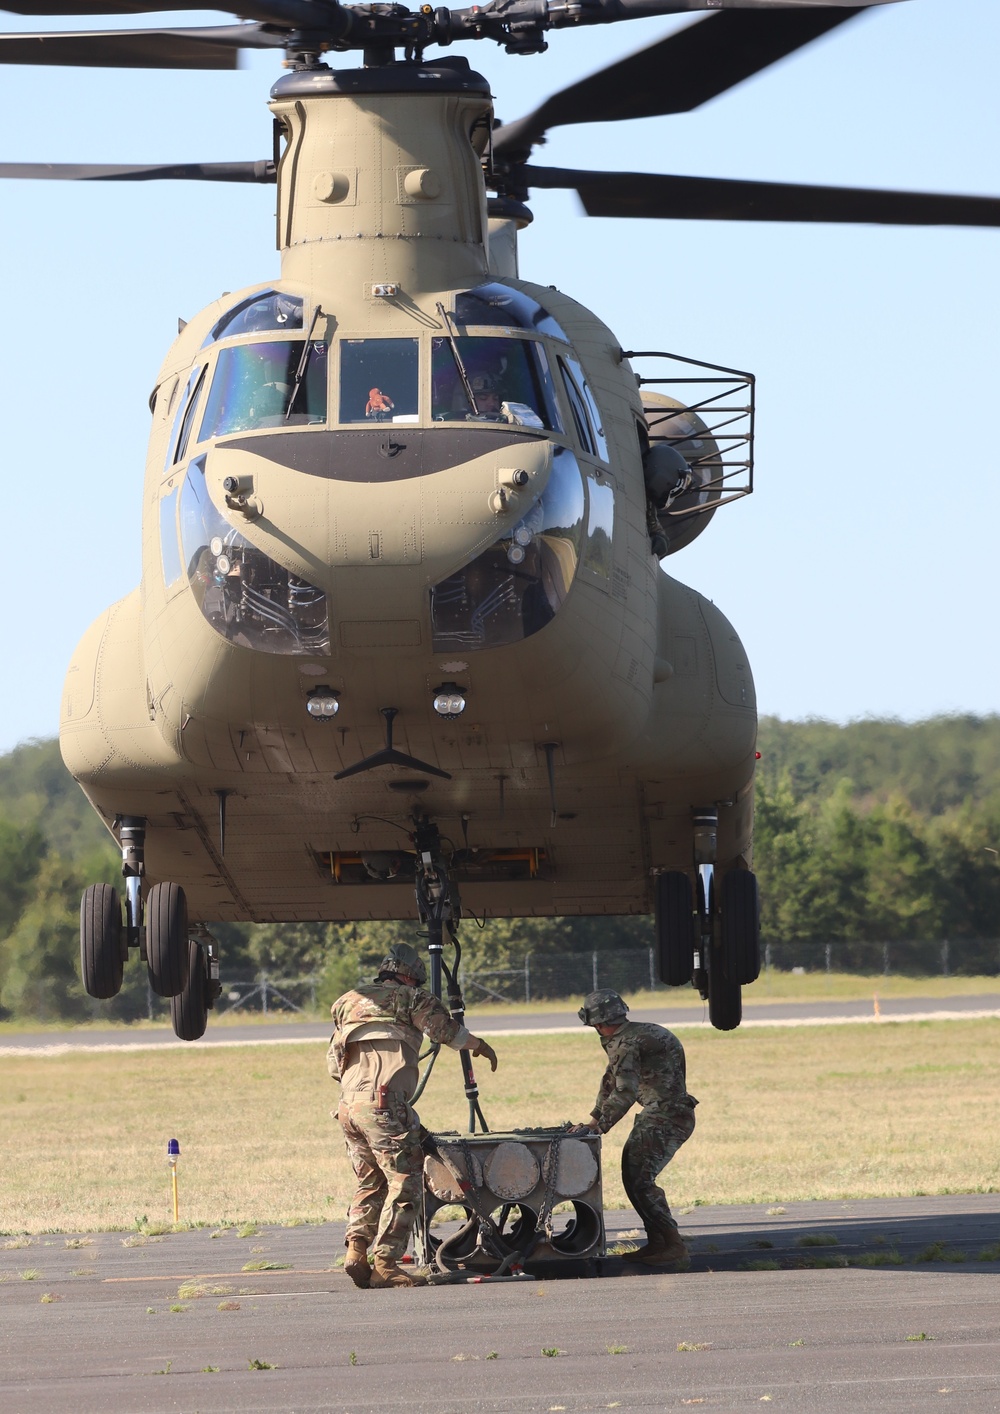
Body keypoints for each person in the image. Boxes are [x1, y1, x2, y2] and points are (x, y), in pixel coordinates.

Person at [328, 942, 499, 1289]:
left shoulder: (347, 1001)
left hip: (349, 1106)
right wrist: (480, 1046)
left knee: (370, 1181)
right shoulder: (412, 998)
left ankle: (356, 1251)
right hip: (383, 1105)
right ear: (410, 977)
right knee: (404, 1182)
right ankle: (387, 1263)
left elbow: (334, 1061)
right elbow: (443, 1031)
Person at [570, 990, 696, 1267]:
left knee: (639, 1178)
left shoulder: (625, 1043)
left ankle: (673, 1245)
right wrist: (593, 1120)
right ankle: (659, 1243)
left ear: (597, 1024)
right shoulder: (641, 1033)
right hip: (669, 1112)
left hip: (665, 1115)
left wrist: (599, 1126)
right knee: (635, 1176)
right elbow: (611, 1081)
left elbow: (624, 1091)